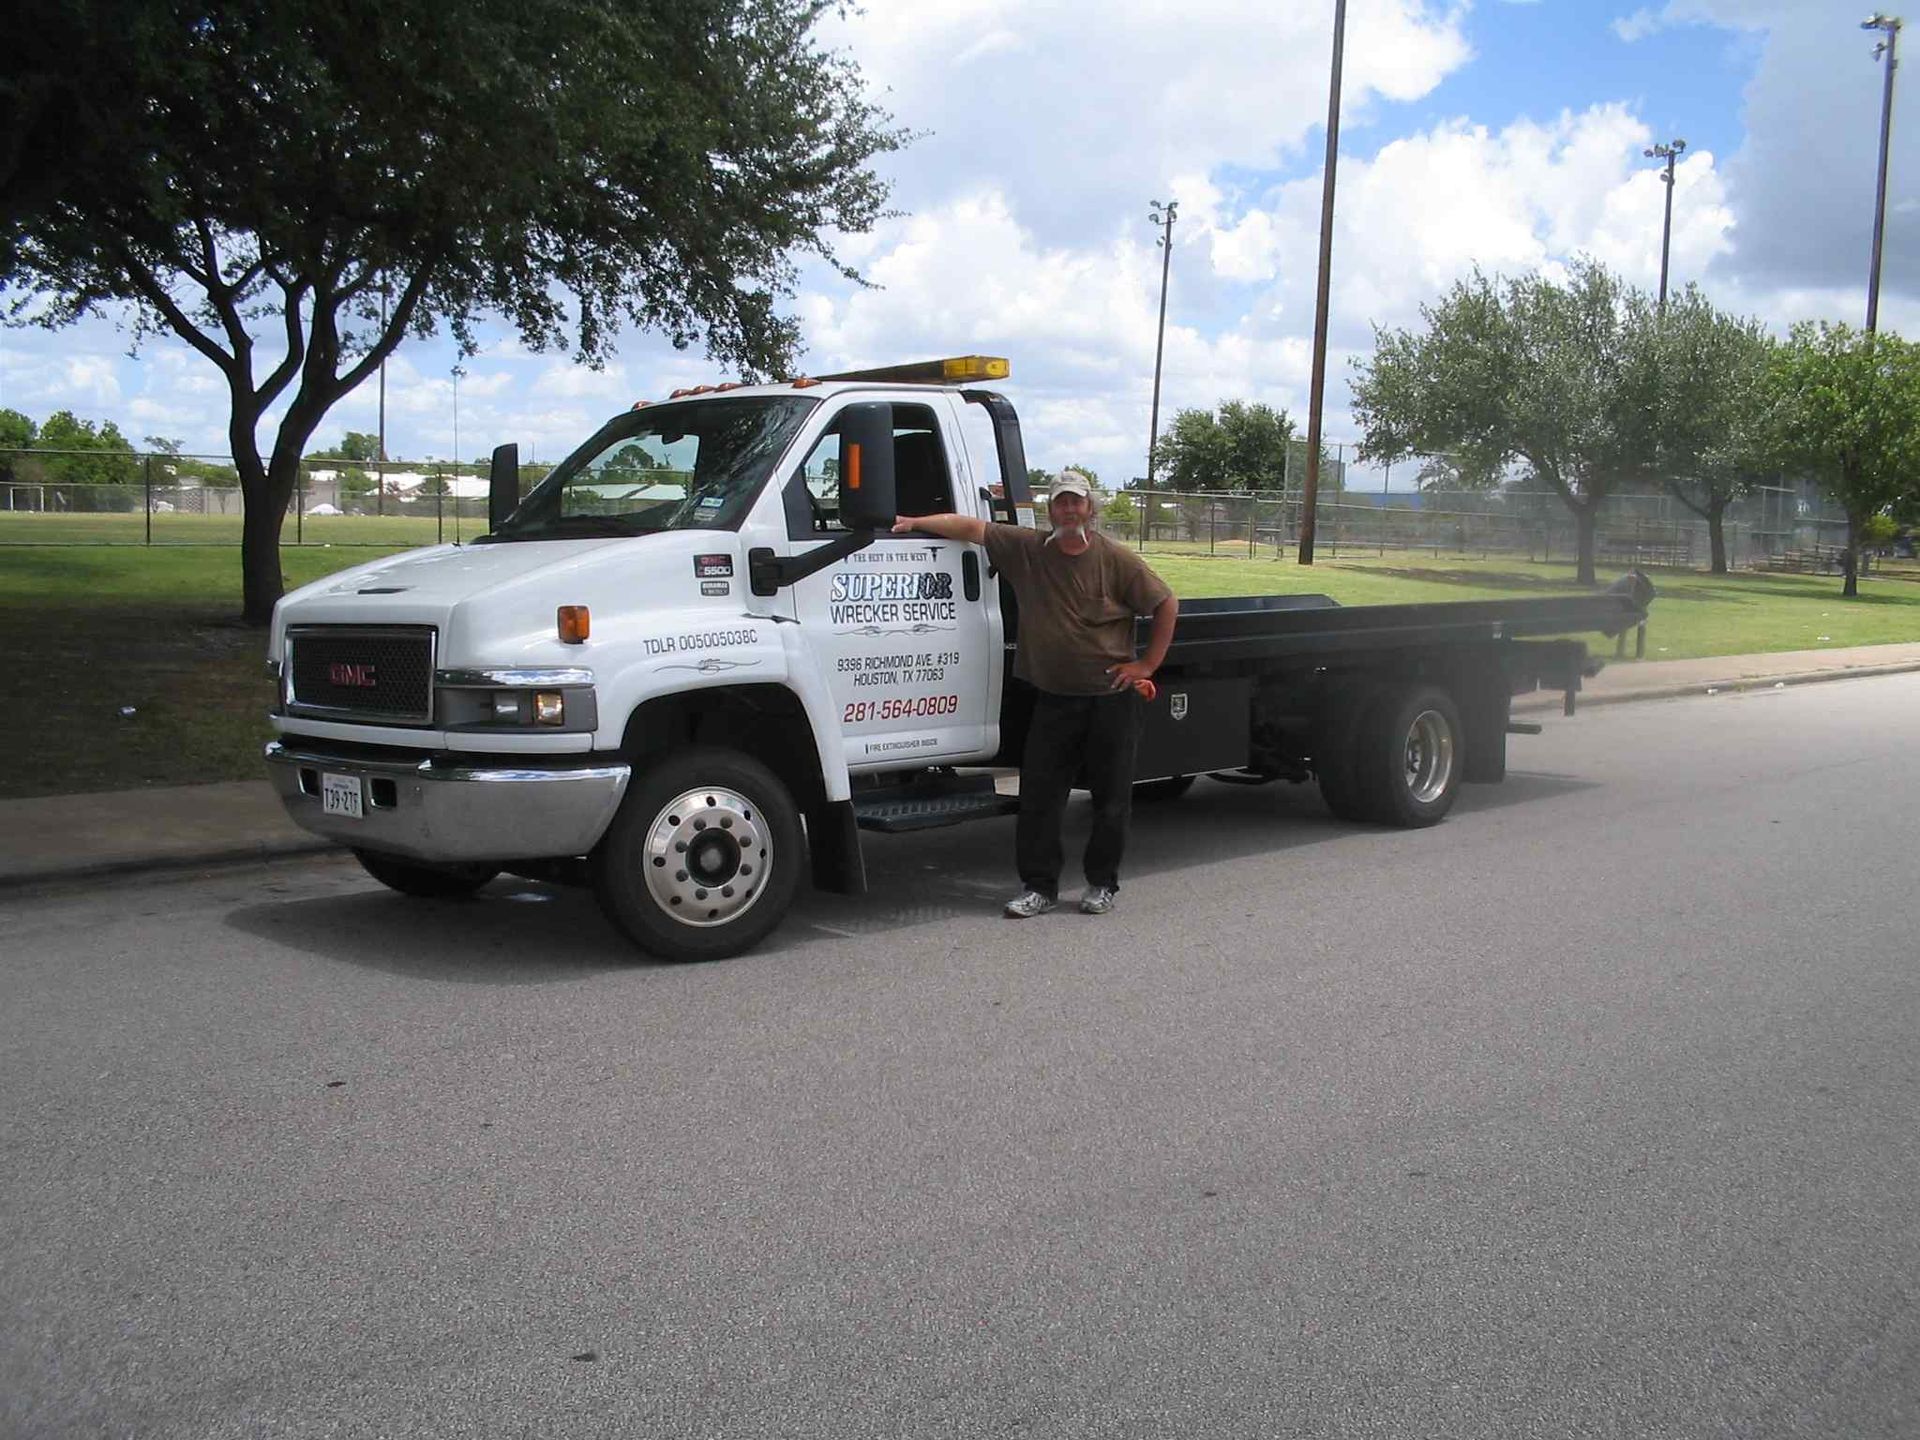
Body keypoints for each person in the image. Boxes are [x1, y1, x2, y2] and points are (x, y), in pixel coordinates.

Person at [893, 469, 1178, 917]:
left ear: (1090, 508)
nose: (1069, 510)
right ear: (1051, 510)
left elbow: (1165, 603)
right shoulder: (1028, 549)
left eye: (1077, 502)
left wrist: (1146, 665)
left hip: (1109, 699)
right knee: (1041, 799)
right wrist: (916, 523)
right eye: (1062, 502)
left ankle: (1102, 884)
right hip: (1054, 699)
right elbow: (971, 527)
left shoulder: (1115, 559)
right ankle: (1039, 888)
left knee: (1110, 799)